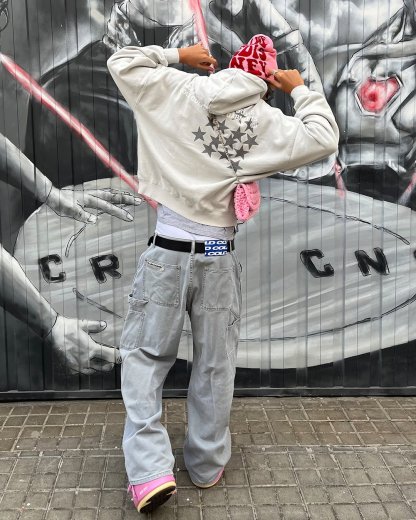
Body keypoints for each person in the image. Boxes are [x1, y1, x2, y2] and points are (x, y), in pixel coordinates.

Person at [108, 35, 338, 514]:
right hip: (217, 252)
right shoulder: (266, 121)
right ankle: (206, 464)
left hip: (168, 249)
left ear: (230, 66)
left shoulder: (178, 88)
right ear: (266, 82)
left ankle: (150, 472)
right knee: (215, 363)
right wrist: (299, 89)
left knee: (145, 358)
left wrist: (178, 56)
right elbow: (323, 137)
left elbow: (122, 61)